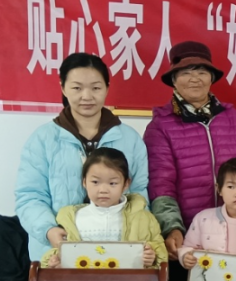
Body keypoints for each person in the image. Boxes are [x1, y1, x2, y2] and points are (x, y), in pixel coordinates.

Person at [143, 41, 236, 281]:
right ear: (173, 79)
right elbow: (161, 184)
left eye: (201, 71)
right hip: (190, 239)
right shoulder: (160, 127)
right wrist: (172, 228)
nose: (194, 78)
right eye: (186, 72)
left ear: (211, 77)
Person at [15, 52, 149, 264]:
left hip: (120, 252)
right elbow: (30, 196)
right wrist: (49, 230)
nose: (87, 96)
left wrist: (140, 238)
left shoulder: (129, 138)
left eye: (96, 88)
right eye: (77, 88)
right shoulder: (43, 139)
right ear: (63, 87)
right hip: (58, 254)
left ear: (107, 88)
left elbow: (139, 194)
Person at [41, 148, 166, 268]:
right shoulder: (71, 219)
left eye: (112, 183)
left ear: (126, 184)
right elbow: (57, 252)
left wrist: (152, 257)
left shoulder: (143, 218)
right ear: (84, 182)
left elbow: (160, 251)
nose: (103, 190)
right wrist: (55, 262)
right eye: (95, 182)